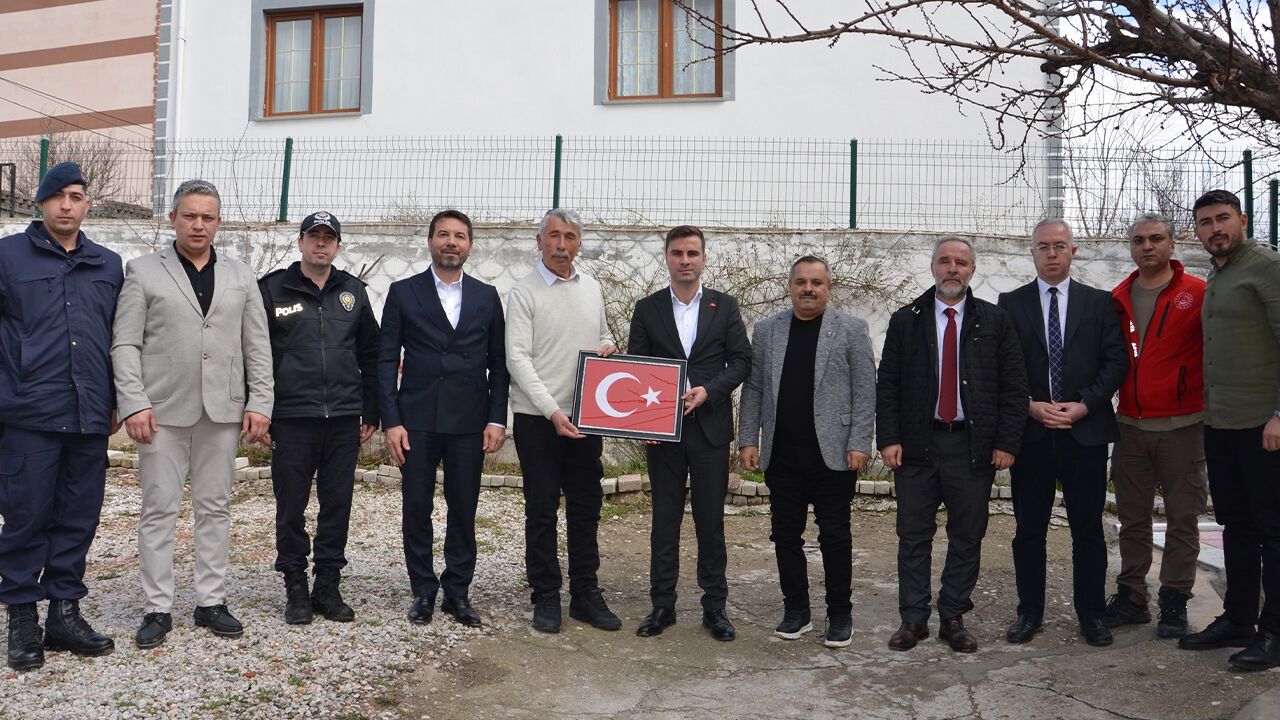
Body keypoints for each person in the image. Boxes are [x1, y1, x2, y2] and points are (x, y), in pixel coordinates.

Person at [112, 179, 274, 648]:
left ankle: (211, 601)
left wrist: (260, 402)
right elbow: (126, 343)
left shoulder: (241, 276)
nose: (198, 225)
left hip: (222, 410)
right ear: (173, 219)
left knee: (215, 508)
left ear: (218, 222)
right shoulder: (143, 271)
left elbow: (257, 346)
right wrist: (134, 402)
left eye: (207, 217)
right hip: (160, 411)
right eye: (189, 216)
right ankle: (157, 607)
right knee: (159, 509)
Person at [878, 236, 1027, 653]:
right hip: (917, 445)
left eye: (961, 262)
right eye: (944, 261)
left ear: (972, 270)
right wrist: (888, 438)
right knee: (913, 535)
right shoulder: (906, 320)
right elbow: (887, 384)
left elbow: (1014, 387)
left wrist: (1006, 441)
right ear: (933, 268)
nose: (952, 269)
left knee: (967, 535)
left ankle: (953, 617)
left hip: (972, 446)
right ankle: (913, 619)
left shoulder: (995, 321)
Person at [0, 162, 122, 670]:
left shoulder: (108, 264)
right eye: (57, 197)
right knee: (26, 515)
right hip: (28, 412)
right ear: (41, 203)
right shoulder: (8, 256)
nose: (66, 205)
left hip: (89, 414)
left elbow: (118, 338)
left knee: (78, 517)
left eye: (75, 196)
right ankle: (22, 618)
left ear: (87, 204)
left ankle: (64, 614)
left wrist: (116, 402)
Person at [998, 219, 1128, 647]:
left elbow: (1116, 362)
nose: (1051, 253)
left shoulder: (1099, 303)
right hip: (1032, 435)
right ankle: (1029, 612)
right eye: (1043, 246)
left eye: (1059, 245)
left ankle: (1091, 614)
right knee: (1028, 530)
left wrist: (1085, 405)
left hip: (1084, 432)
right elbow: (1003, 366)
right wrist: (1030, 406)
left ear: (1074, 250)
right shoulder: (1010, 304)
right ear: (1032, 252)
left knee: (1087, 529)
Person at [379, 210, 509, 628]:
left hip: (469, 421)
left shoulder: (487, 296)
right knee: (416, 506)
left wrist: (497, 418)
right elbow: (385, 360)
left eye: (459, 236)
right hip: (415, 420)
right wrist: (391, 421)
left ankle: (457, 591)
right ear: (430, 241)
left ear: (469, 245)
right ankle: (423, 590)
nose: (451, 242)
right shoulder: (403, 292)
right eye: (443, 235)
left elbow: (499, 363)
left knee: (464, 508)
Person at [738, 255, 876, 648]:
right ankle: (796, 610)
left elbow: (866, 390)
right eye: (801, 282)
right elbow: (754, 388)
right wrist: (748, 439)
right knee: (785, 535)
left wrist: (859, 442)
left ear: (829, 287)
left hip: (833, 453)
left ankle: (840, 613)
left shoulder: (851, 329)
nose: (808, 289)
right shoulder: (768, 330)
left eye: (816, 282)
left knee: (835, 535)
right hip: (782, 453)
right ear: (790, 286)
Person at [628, 225, 750, 642]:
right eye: (677, 253)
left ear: (704, 258)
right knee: (664, 520)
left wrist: (709, 391)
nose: (685, 260)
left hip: (710, 430)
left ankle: (715, 607)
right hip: (663, 432)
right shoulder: (647, 308)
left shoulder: (724, 306)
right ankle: (662, 605)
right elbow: (637, 367)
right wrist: (645, 423)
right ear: (666, 258)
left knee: (710, 522)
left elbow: (741, 361)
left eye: (692, 253)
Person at [259, 211, 380, 625]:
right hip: (292, 416)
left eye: (329, 237)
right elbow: (255, 354)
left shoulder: (353, 292)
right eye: (314, 236)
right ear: (301, 242)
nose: (321, 243)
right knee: (291, 505)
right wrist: (260, 410)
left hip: (343, 417)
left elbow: (371, 353)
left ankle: (327, 585)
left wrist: (371, 409)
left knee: (337, 504)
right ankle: (295, 584)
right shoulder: (272, 289)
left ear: (338, 246)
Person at [1178, 189, 1280, 671]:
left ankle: (1275, 632)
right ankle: (1239, 619)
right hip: (1221, 422)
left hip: (1263, 425)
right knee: (1235, 526)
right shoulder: (1219, 275)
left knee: (1272, 530)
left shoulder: (1267, 266)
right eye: (1205, 222)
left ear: (1242, 219)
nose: (1215, 228)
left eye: (1223, 218)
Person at [506, 208, 619, 633]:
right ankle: (546, 596)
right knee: (541, 509)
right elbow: (517, 359)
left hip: (586, 417)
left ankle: (585, 594)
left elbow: (603, 334)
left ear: (578, 244)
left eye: (570, 237)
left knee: (586, 508)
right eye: (553, 236)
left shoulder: (591, 287)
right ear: (539, 242)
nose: (561, 245)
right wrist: (552, 411)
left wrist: (607, 347)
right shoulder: (524, 292)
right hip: (539, 419)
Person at [1103, 212, 1206, 638]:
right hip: (1130, 425)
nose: (1148, 246)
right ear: (1131, 247)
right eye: (1139, 240)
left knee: (1183, 518)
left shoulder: (1197, 294)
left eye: (1156, 238)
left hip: (1183, 426)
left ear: (1172, 244)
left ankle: (1175, 600)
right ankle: (1132, 597)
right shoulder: (1118, 297)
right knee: (1133, 518)